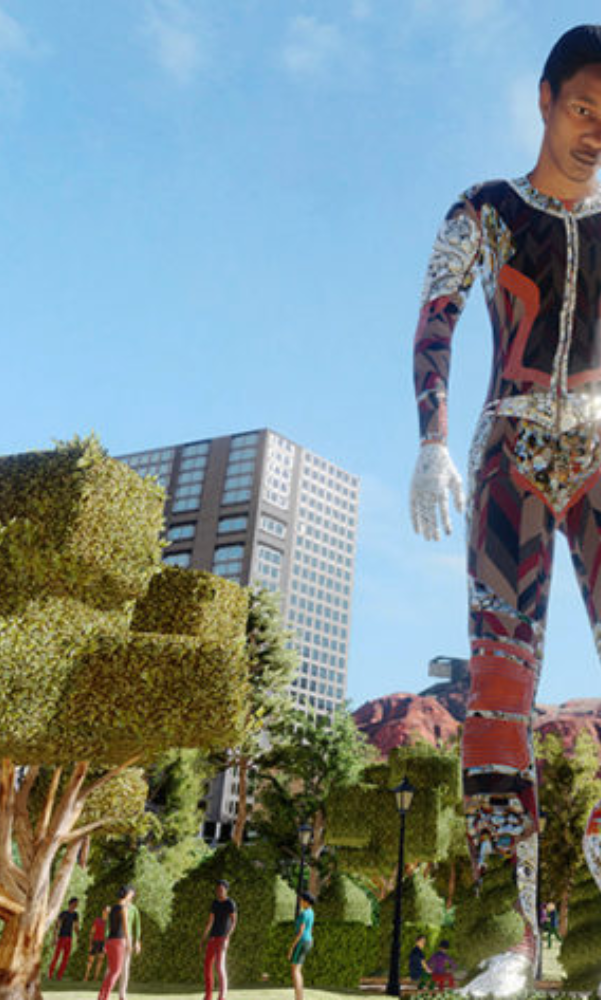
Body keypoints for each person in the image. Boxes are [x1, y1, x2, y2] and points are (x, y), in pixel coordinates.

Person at [410, 22, 601, 998]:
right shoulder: (484, 209)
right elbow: (434, 317)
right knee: (497, 693)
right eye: (583, 109)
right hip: (508, 465)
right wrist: (431, 439)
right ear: (543, 100)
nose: (595, 134)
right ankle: (502, 925)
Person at [200, 879, 237, 1000]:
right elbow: (210, 921)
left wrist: (227, 937)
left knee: (220, 967)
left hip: (223, 938)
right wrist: (204, 937)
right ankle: (208, 996)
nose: (219, 891)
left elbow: (234, 922)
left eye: (222, 889)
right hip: (213, 937)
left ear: (226, 890)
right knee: (207, 966)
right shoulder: (215, 903)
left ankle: (222, 996)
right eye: (218, 889)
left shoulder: (230, 903)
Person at [98, 887, 130, 1000]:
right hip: (119, 941)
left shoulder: (112, 908)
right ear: (126, 895)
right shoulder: (123, 908)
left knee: (111, 971)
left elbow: (105, 920)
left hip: (110, 941)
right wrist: (129, 942)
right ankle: (105, 997)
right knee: (116, 971)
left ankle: (101, 996)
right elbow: (125, 927)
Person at [287, 891, 315, 1000]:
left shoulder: (304, 914)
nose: (301, 902)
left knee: (295, 971)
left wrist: (292, 947)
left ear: (306, 901)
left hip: (302, 941)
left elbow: (301, 932)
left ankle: (298, 998)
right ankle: (300, 997)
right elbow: (311, 929)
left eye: (302, 900)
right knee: (298, 970)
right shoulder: (311, 912)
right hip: (309, 941)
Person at [118, 885, 141, 1000]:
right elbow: (110, 925)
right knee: (113, 967)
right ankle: (106, 991)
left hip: (129, 938)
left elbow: (137, 926)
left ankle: (122, 994)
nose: (132, 895)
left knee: (125, 967)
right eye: (131, 893)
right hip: (117, 938)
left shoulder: (134, 909)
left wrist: (136, 941)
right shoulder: (118, 907)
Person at [49, 896, 80, 980]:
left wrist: (78, 936)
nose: (77, 905)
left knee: (65, 958)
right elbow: (57, 925)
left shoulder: (75, 915)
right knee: (56, 956)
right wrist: (54, 937)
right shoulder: (63, 913)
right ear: (71, 903)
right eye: (76, 903)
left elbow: (76, 927)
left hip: (69, 938)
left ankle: (59, 976)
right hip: (61, 937)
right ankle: (50, 974)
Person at [85, 905, 110, 981]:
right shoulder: (97, 920)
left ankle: (95, 978)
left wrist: (106, 946)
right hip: (95, 941)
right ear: (103, 911)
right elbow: (92, 932)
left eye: (108, 912)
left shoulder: (109, 923)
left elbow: (109, 936)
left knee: (100, 961)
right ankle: (86, 977)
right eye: (106, 911)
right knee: (90, 960)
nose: (107, 913)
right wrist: (90, 944)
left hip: (103, 943)